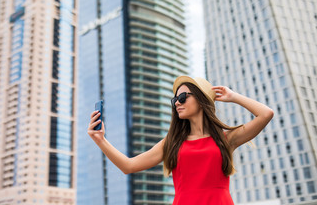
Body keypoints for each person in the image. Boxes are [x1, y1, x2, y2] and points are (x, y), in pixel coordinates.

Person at [88, 76, 274, 204]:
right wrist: (100, 140)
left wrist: (234, 96)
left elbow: (266, 114)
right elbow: (128, 166)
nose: (177, 102)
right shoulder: (171, 142)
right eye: (175, 99)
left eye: (183, 97)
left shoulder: (226, 140)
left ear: (201, 100)